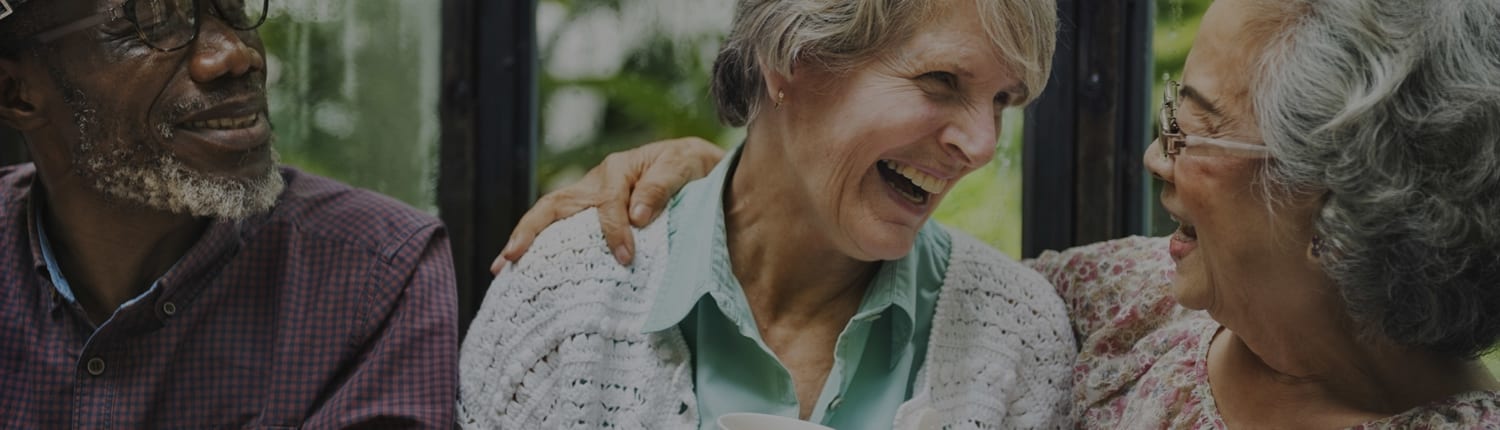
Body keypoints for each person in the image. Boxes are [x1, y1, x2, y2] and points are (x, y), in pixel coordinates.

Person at [501, 0, 1500, 427]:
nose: (1154, 155)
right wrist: (710, 176)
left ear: (1330, 202)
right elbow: (786, 219)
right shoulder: (1125, 307)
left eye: (1190, 129)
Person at [458, 0, 1075, 428]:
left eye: (1002, 100)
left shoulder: (1016, 335)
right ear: (790, 59)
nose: (983, 144)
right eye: (941, 80)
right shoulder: (564, 297)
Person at [0, 0, 456, 427]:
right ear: (15, 94)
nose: (236, 55)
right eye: (153, 17)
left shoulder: (376, 270)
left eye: (233, 7)